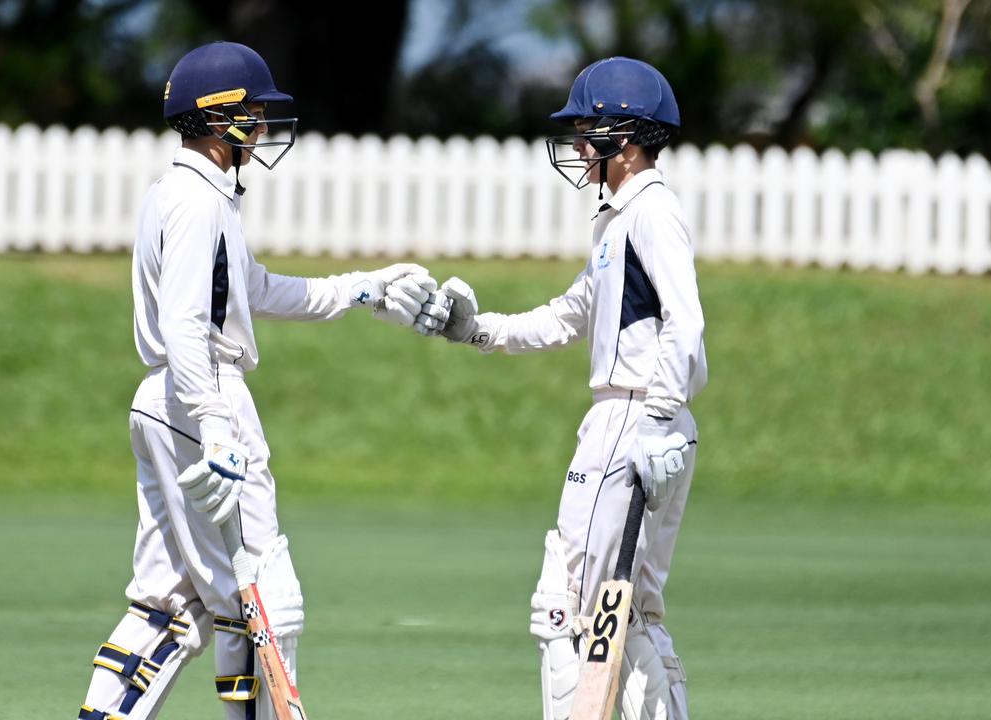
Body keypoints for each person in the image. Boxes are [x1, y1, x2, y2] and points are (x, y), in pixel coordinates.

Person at [75, 41, 437, 720]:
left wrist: (361, 289)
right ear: (220, 120)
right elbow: (187, 324)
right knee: (265, 594)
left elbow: (254, 289)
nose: (265, 127)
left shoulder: (181, 192)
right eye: (255, 112)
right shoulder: (197, 202)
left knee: (169, 601)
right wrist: (214, 423)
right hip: (201, 393)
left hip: (164, 400)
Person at [416, 56, 706, 720]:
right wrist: (476, 329)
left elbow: (684, 322)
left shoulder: (651, 211)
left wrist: (659, 417)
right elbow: (569, 313)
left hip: (634, 418)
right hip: (639, 418)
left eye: (588, 131)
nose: (579, 146)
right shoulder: (617, 220)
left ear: (626, 137)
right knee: (630, 612)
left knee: (567, 604)